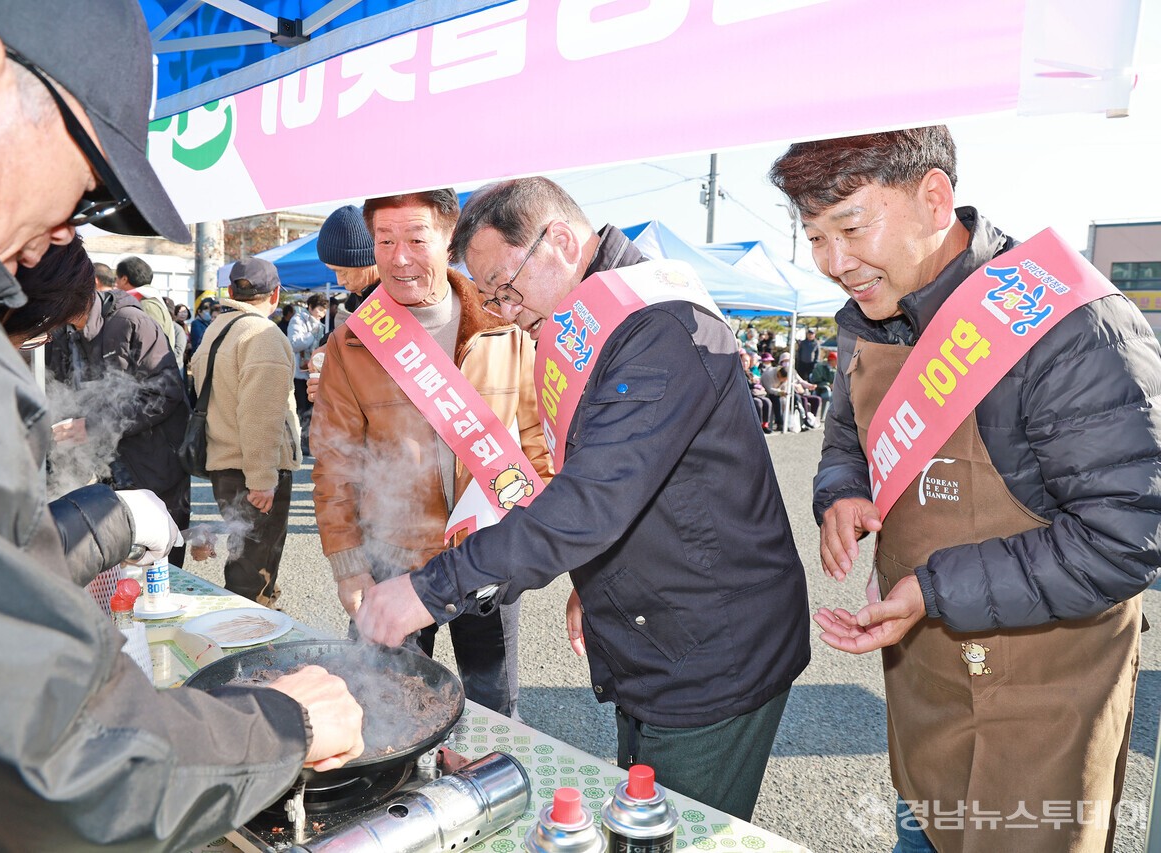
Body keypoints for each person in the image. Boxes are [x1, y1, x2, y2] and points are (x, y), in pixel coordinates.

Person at [0, 3, 362, 849]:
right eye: (91, 188)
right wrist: (278, 724)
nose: (65, 231)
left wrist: (103, 515)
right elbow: (55, 759)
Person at [354, 177, 810, 819]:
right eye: (491, 297)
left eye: (506, 287)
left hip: (712, 650)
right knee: (641, 810)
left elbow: (592, 500)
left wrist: (428, 590)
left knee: (671, 828)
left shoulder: (657, 326)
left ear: (561, 242)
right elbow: (608, 478)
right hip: (662, 631)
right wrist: (596, 578)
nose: (505, 311)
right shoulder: (595, 318)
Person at [770, 126, 1161, 852]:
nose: (834, 263)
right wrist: (841, 492)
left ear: (934, 198)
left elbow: (1123, 539)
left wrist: (932, 589)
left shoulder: (1066, 320)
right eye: (815, 238)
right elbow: (846, 438)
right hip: (925, 681)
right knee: (921, 825)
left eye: (850, 228)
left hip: (1047, 691)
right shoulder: (870, 316)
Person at [311, 189, 553, 718]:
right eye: (385, 241)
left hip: (486, 555)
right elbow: (335, 463)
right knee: (384, 711)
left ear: (449, 239)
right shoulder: (352, 343)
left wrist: (540, 542)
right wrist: (348, 566)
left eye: (417, 240)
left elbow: (537, 445)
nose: (400, 257)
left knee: (492, 710)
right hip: (392, 557)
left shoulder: (504, 328)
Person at [47, 254, 193, 568]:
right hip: (102, 470)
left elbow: (165, 392)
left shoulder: (130, 322)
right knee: (113, 567)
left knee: (158, 564)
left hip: (152, 464)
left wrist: (94, 426)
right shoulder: (60, 335)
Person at [192, 257, 301, 607]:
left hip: (225, 460)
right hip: (250, 466)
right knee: (253, 565)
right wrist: (262, 478)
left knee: (246, 555)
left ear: (230, 290)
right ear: (276, 294)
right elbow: (260, 413)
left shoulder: (217, 328)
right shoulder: (262, 335)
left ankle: (254, 618)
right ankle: (249, 629)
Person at [317, 203, 381, 327]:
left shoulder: (403, 301)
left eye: (343, 271)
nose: (340, 281)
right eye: (334, 271)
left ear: (367, 261)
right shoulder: (353, 301)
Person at [287, 292, 329, 454]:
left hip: (316, 372)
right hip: (300, 373)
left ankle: (310, 441)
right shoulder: (298, 320)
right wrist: (312, 334)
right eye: (319, 309)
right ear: (310, 307)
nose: (322, 314)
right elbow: (294, 344)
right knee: (302, 409)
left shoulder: (320, 324)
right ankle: (301, 443)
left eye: (324, 310)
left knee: (313, 409)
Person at [115, 254, 171, 338]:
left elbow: (151, 340)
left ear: (124, 279)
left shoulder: (147, 305)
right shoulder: (147, 299)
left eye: (116, 278)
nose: (116, 284)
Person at [809, 350, 837, 420]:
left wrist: (833, 384)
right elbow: (816, 379)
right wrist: (828, 384)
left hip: (829, 388)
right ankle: (825, 416)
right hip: (819, 387)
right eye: (836, 360)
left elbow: (834, 380)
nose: (837, 362)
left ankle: (831, 416)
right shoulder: (820, 366)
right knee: (828, 394)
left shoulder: (835, 369)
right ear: (831, 360)